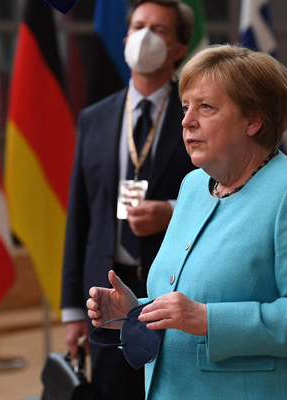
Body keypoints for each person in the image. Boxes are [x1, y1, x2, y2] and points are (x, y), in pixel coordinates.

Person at [87, 44, 287, 399]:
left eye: (205, 107)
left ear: (253, 120)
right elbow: (193, 299)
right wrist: (137, 310)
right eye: (185, 107)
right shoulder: (194, 185)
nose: (186, 120)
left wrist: (208, 320)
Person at [60, 1, 195, 398]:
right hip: (105, 292)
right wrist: (72, 312)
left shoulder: (195, 115)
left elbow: (222, 192)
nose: (144, 36)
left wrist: (172, 212)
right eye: (138, 26)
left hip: (173, 290)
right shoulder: (94, 117)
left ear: (179, 49)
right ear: (124, 39)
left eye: (158, 29)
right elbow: (79, 217)